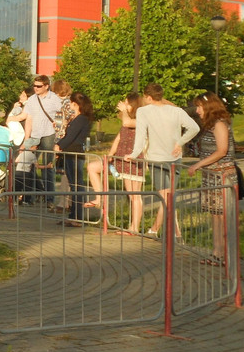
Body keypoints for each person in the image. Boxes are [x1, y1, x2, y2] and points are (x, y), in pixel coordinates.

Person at [128, 83, 199, 238]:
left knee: (166, 197)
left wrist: (134, 154)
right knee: (168, 196)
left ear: (148, 97)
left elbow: (140, 136)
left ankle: (175, 233)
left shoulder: (143, 111)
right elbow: (194, 128)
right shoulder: (176, 111)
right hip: (175, 159)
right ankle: (158, 230)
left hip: (157, 160)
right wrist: (180, 142)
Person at [186, 92, 237, 267]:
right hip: (212, 177)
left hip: (222, 176)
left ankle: (227, 255)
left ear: (209, 107)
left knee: (223, 216)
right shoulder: (210, 126)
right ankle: (217, 253)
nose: (197, 110)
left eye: (199, 106)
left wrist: (198, 165)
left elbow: (222, 151)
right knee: (215, 215)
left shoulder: (220, 125)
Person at [85, 92, 143, 233]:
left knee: (134, 195)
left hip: (132, 160)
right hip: (119, 158)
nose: (124, 105)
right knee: (92, 167)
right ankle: (99, 199)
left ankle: (134, 227)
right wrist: (110, 155)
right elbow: (118, 138)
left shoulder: (141, 119)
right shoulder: (126, 118)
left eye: (127, 103)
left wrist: (124, 111)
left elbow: (126, 123)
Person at [8, 75, 63, 210]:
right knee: (27, 165)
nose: (35, 88)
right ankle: (28, 197)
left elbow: (61, 116)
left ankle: (49, 200)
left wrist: (60, 133)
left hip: (49, 135)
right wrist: (26, 140)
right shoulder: (32, 100)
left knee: (47, 168)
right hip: (34, 135)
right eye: (34, 86)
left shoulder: (54, 99)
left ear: (46, 86)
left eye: (38, 86)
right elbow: (29, 119)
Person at [56, 92, 93, 226]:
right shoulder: (76, 118)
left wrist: (58, 146)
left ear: (75, 104)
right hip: (69, 153)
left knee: (77, 185)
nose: (69, 105)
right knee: (73, 185)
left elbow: (71, 137)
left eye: (71, 103)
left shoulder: (81, 119)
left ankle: (78, 217)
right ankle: (73, 215)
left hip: (74, 153)